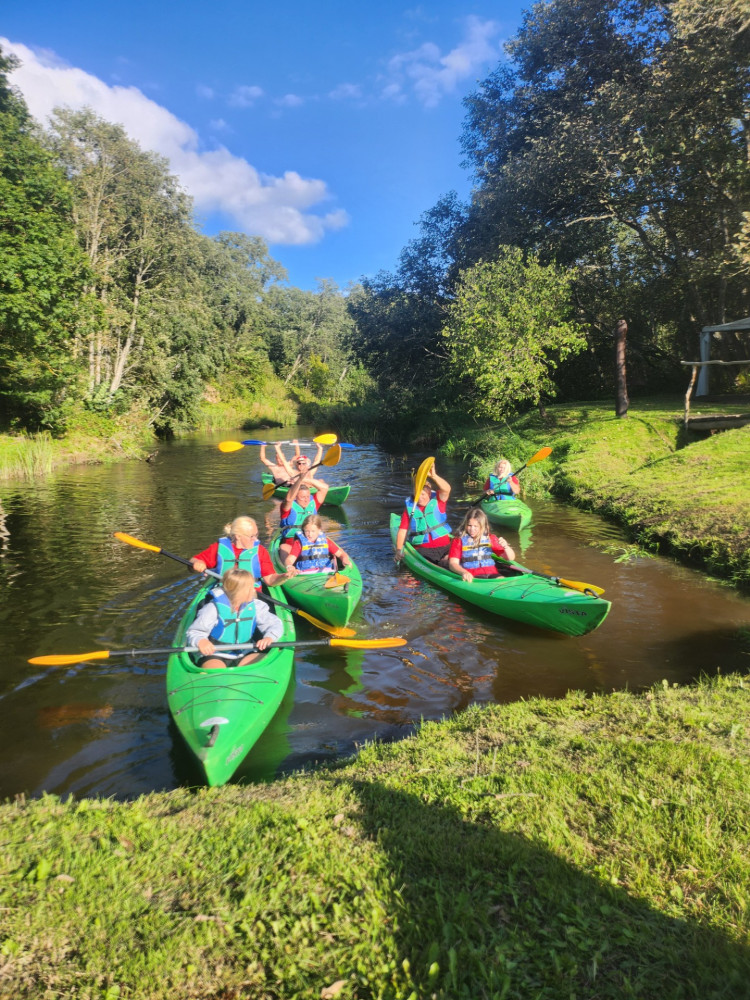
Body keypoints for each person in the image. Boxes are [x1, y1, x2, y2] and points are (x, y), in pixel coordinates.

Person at [186, 568, 284, 669]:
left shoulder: (256, 606)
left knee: (266, 664)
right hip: (215, 654)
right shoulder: (212, 608)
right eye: (250, 588)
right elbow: (194, 632)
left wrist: (269, 637)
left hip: (246, 651)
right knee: (216, 671)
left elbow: (275, 624)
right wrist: (201, 641)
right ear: (237, 592)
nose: (254, 590)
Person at [190, 515, 295, 586]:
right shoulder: (219, 548)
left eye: (256, 535)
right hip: (224, 592)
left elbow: (270, 580)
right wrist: (197, 563)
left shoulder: (260, 551)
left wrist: (283, 577)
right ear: (238, 536)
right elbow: (192, 562)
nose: (256, 540)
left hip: (251, 595)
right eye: (251, 536)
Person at [394, 463, 453, 566]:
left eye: (423, 494)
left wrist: (434, 476)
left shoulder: (439, 501)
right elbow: (403, 530)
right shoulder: (409, 509)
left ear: (429, 493)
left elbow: (447, 489)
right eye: (417, 494)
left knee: (449, 562)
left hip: (445, 548)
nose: (420, 497)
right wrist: (399, 550)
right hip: (423, 551)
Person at [448, 508, 516, 583]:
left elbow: (510, 558)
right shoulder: (458, 540)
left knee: (503, 582)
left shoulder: (490, 538)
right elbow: (453, 564)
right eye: (469, 525)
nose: (472, 529)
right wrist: (463, 572)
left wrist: (506, 546)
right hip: (472, 576)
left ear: (482, 526)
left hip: (491, 573)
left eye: (475, 526)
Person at [283, 514, 352, 574]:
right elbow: (289, 560)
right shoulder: (299, 543)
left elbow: (340, 554)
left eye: (313, 531)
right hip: (305, 575)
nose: (310, 534)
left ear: (319, 529)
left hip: (326, 573)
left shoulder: (326, 541)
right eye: (307, 531)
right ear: (303, 529)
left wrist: (344, 558)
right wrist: (289, 566)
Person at [279, 472, 330, 553]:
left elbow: (325, 488)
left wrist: (304, 479)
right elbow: (288, 499)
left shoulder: (313, 503)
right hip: (291, 543)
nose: (306, 500)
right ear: (296, 497)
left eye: (307, 497)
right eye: (302, 497)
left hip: (311, 540)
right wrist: (299, 480)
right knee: (283, 548)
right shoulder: (288, 507)